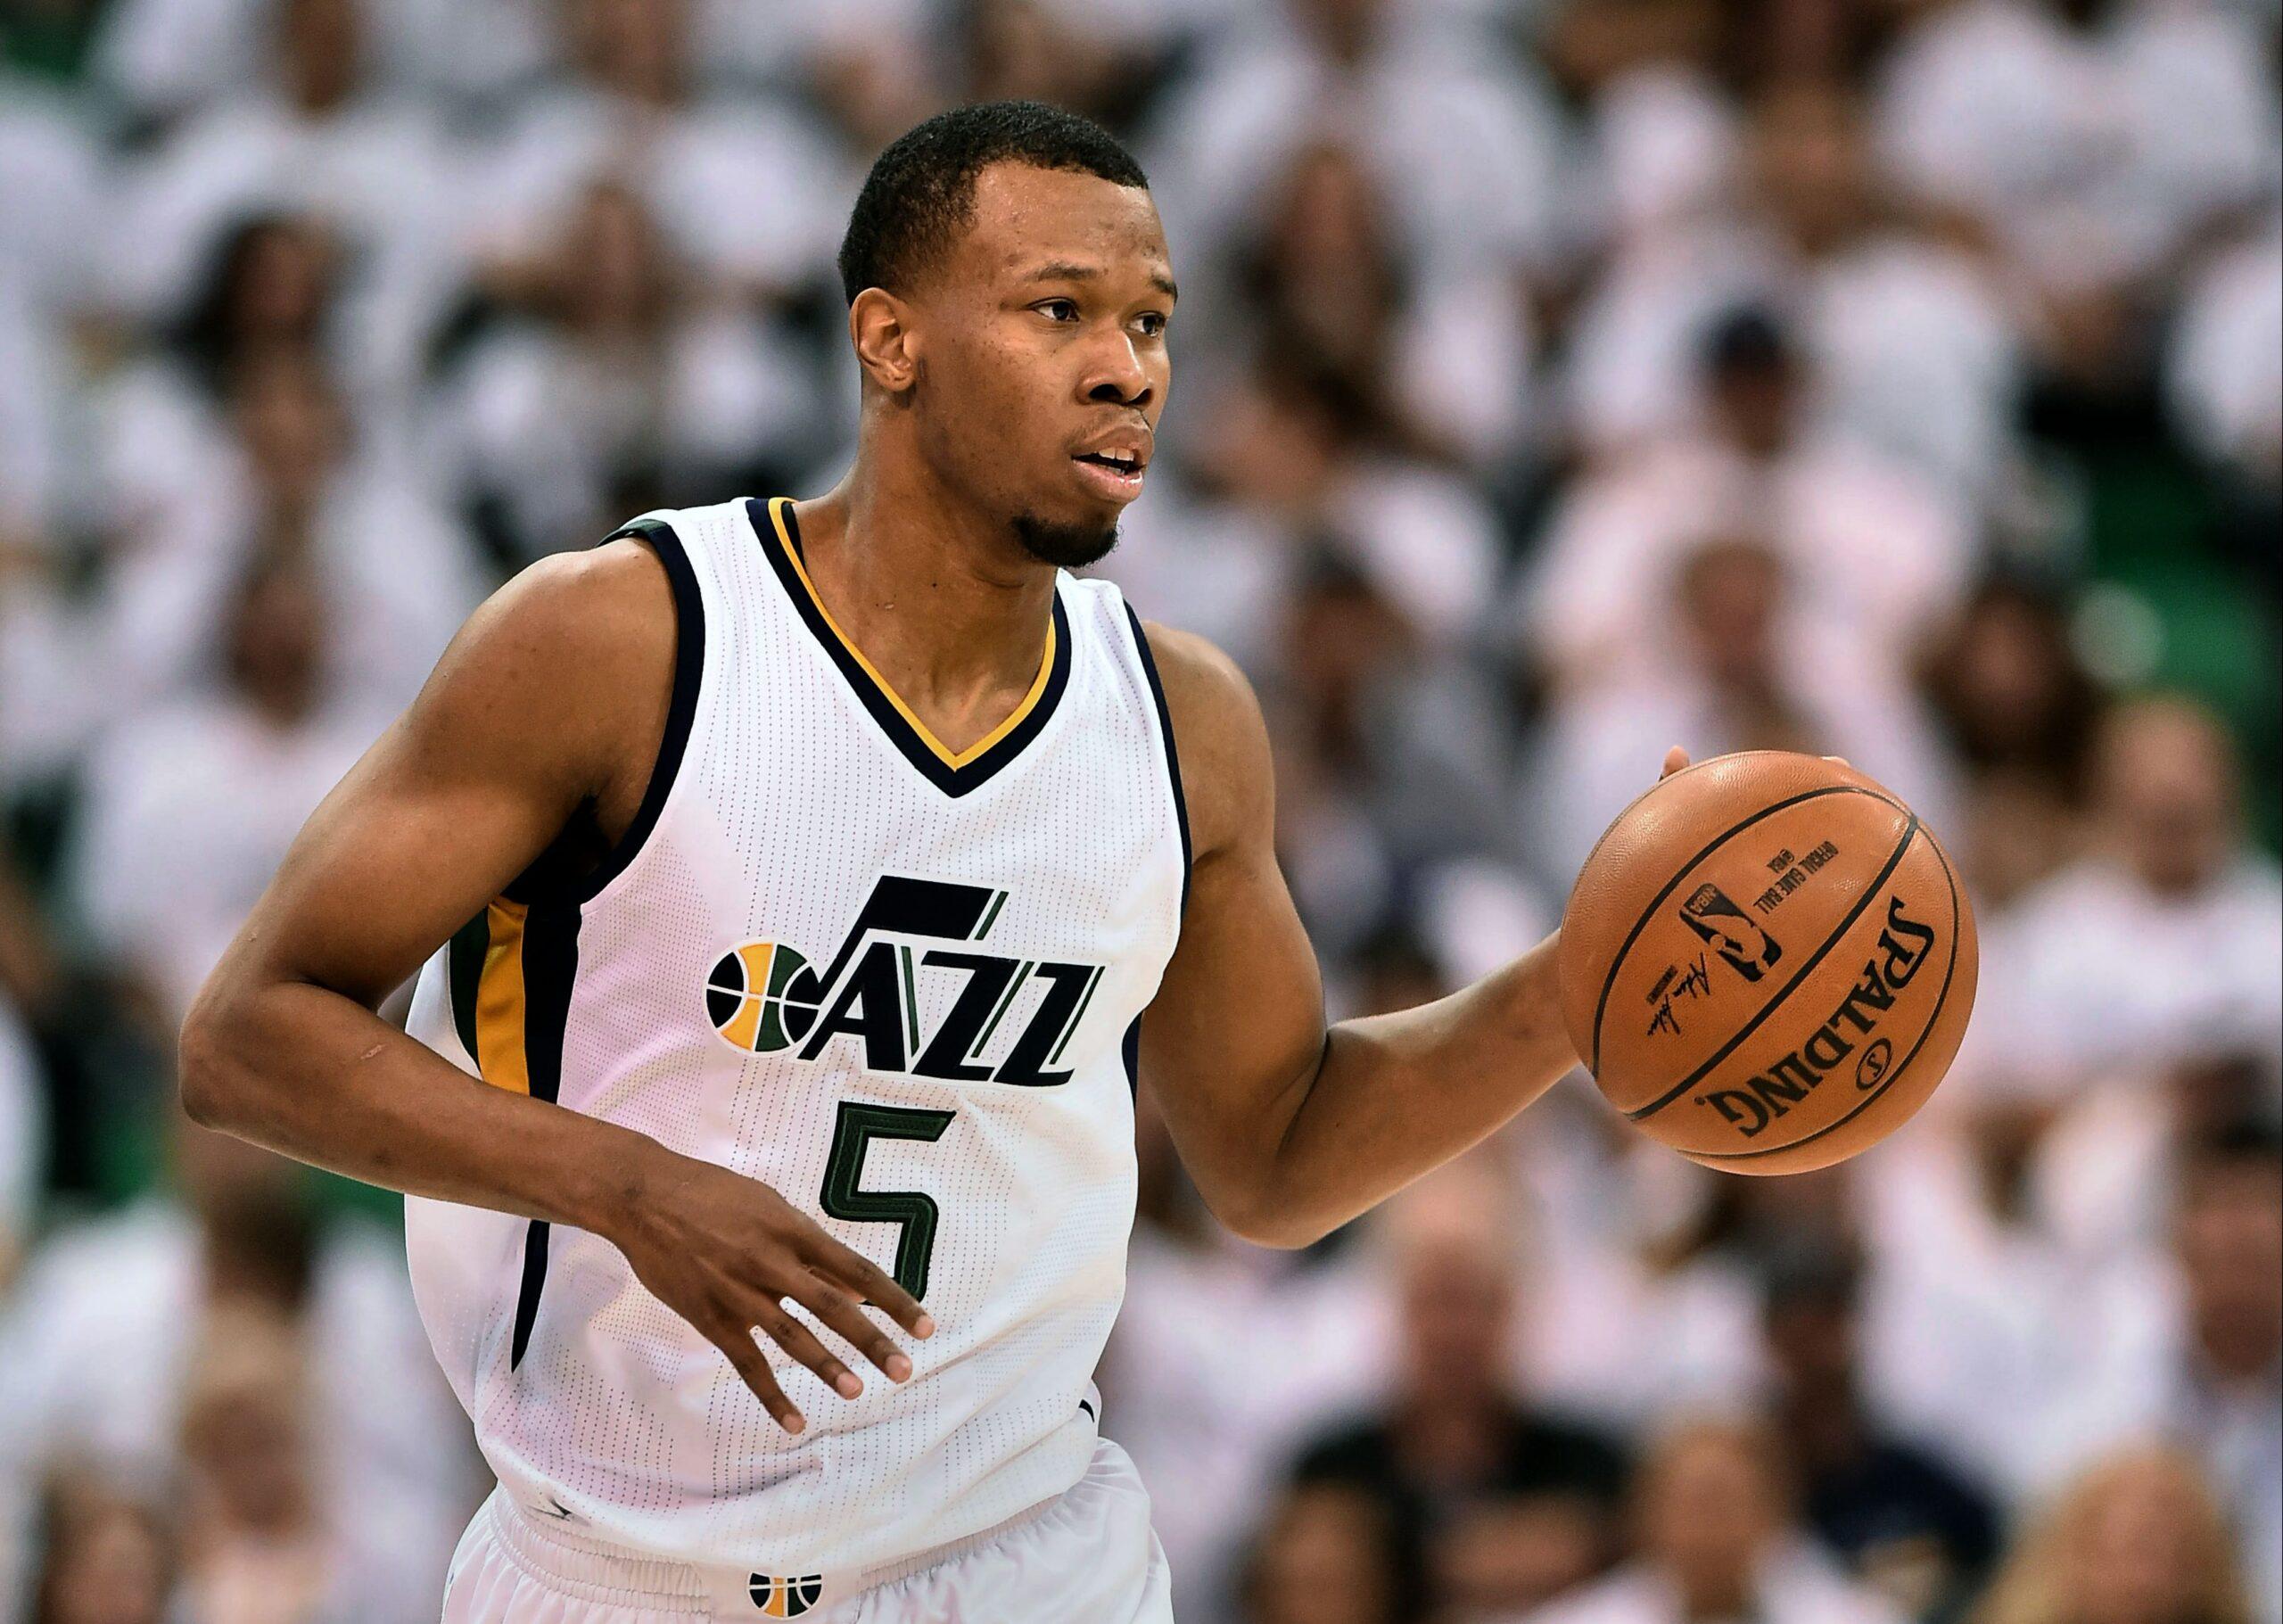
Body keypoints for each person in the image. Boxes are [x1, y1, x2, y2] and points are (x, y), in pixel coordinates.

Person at [178, 102, 1648, 1622]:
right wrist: (624, 1185)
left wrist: (1573, 988)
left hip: (1029, 1563)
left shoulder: (1185, 722)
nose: (1126, 367)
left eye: (1150, 321)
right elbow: (246, 1036)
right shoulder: (623, 640)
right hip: (623, 1572)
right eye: (1058, 310)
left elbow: (1274, 1157)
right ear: (891, 342)